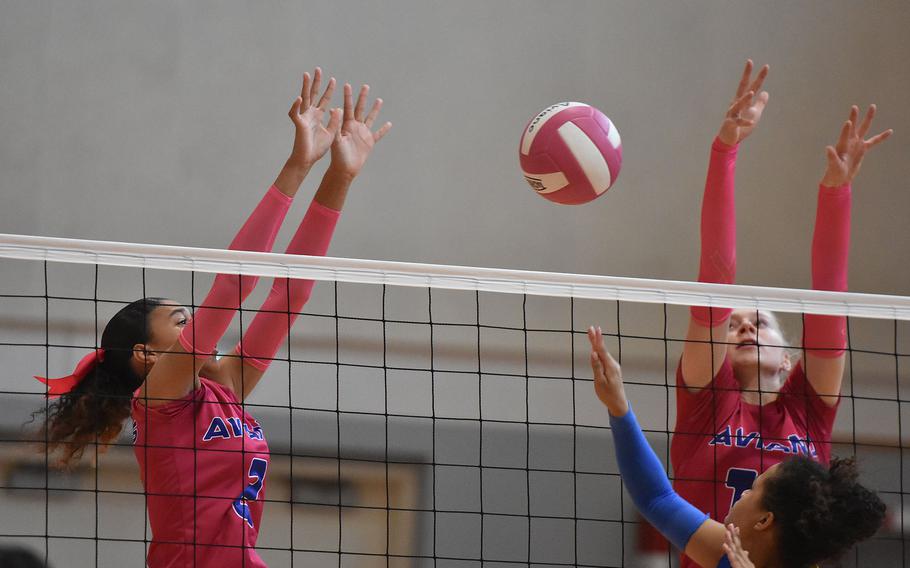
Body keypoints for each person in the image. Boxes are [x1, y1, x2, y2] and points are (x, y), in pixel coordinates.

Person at [31, 68, 391, 567]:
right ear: (147, 354)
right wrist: (297, 165)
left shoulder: (225, 391)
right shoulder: (158, 401)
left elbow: (290, 295)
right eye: (181, 321)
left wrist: (339, 175)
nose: (198, 326)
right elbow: (235, 284)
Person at [673, 59, 892, 567]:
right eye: (734, 324)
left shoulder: (808, 410)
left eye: (762, 321)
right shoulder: (708, 398)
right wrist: (724, 150)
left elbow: (827, 305)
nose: (745, 324)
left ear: (790, 359)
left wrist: (836, 193)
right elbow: (715, 278)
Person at [588, 326, 886, 568]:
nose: (743, 493)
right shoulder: (727, 550)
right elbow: (656, 497)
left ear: (765, 520)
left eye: (753, 489)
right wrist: (619, 407)